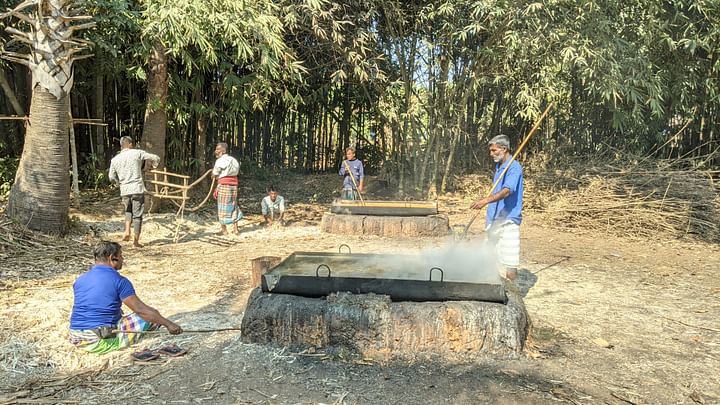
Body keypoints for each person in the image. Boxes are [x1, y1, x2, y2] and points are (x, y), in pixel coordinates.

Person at [69, 241, 182, 354]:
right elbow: (141, 310)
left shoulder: (80, 279)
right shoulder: (119, 281)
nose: (123, 259)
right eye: (121, 255)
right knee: (151, 317)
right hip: (98, 342)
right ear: (112, 258)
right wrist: (169, 324)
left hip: (77, 338)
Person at [471, 134, 523, 281]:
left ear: (504, 149)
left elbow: (507, 190)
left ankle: (514, 296)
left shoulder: (514, 167)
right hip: (494, 218)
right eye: (491, 151)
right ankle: (492, 286)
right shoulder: (499, 166)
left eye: (494, 151)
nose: (491, 154)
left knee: (510, 263)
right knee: (487, 257)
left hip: (508, 220)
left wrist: (485, 201)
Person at [108, 136, 160, 248]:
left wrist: (119, 183)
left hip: (125, 190)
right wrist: (154, 166)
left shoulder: (115, 159)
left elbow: (111, 177)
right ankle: (136, 242)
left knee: (128, 211)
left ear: (121, 146)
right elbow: (155, 157)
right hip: (137, 188)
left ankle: (127, 231)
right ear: (130, 144)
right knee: (138, 215)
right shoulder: (137, 153)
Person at [212, 142, 241, 235]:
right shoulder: (234, 160)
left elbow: (215, 173)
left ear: (223, 150)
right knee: (233, 206)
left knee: (222, 207)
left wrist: (213, 175)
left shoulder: (220, 161)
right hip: (234, 186)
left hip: (224, 186)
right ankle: (235, 229)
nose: (216, 151)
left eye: (217, 149)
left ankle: (224, 230)